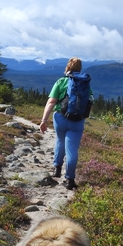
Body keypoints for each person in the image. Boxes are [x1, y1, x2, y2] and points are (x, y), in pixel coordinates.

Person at [39, 57, 91, 190]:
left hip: (60, 118)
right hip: (77, 121)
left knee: (60, 141)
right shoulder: (85, 84)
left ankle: (57, 169)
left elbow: (51, 102)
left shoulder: (61, 82)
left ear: (68, 67)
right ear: (79, 69)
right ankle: (70, 180)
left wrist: (44, 120)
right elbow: (89, 102)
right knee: (72, 149)